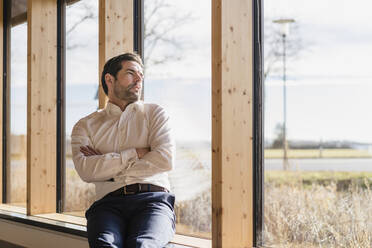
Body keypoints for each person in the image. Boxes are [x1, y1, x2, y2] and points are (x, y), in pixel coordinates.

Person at [71, 52, 176, 248]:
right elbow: (86, 171)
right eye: (131, 73)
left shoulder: (155, 114)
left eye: (141, 75)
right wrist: (136, 153)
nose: (139, 79)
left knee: (142, 246)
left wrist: (107, 169)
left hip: (153, 202)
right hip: (107, 206)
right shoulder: (85, 126)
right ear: (109, 79)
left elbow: (165, 159)